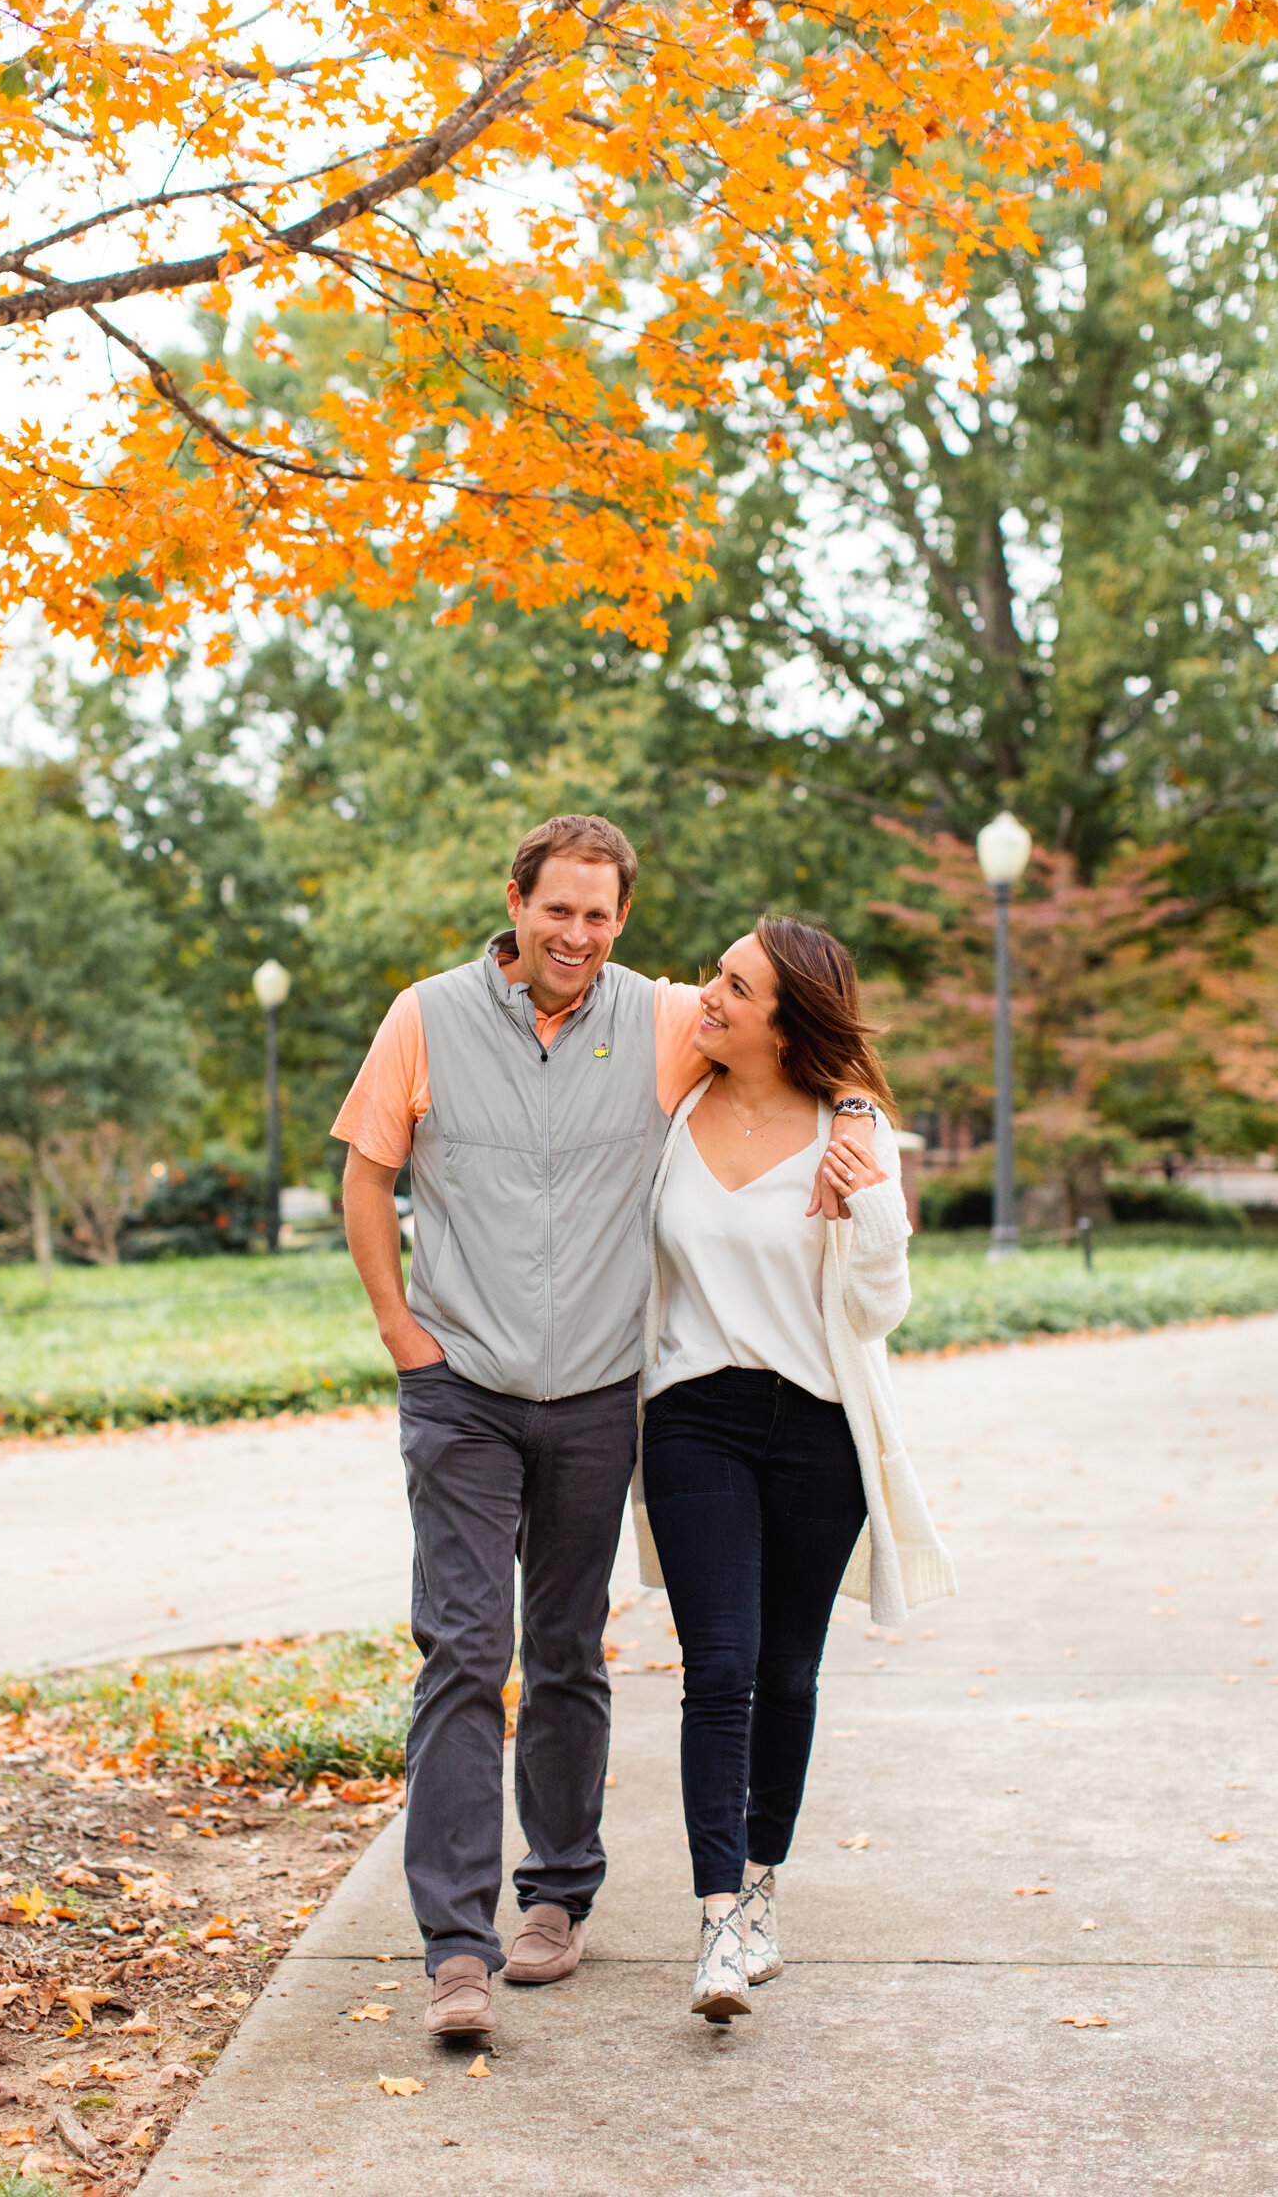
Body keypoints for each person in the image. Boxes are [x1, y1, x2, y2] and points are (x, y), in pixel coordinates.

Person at [333, 816, 874, 2039]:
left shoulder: (663, 1019)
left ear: (622, 920)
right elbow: (369, 1174)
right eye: (556, 910)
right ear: (514, 902)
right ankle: (455, 1949)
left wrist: (849, 1108)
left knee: (568, 1650)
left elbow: (797, 1026)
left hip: (593, 1395)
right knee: (466, 1652)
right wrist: (399, 1333)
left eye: (599, 915)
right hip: (461, 1388)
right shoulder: (424, 1016)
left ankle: (558, 1897)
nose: (576, 935)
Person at [631, 916, 955, 2023]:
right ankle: (717, 1918)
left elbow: (877, 1311)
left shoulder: (851, 1133)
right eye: (715, 977)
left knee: (791, 1671)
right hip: (691, 1417)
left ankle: (762, 1885)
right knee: (718, 1664)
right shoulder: (672, 1109)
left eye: (736, 985)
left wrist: (868, 1191)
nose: (709, 996)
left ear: (788, 1017)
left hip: (817, 1426)